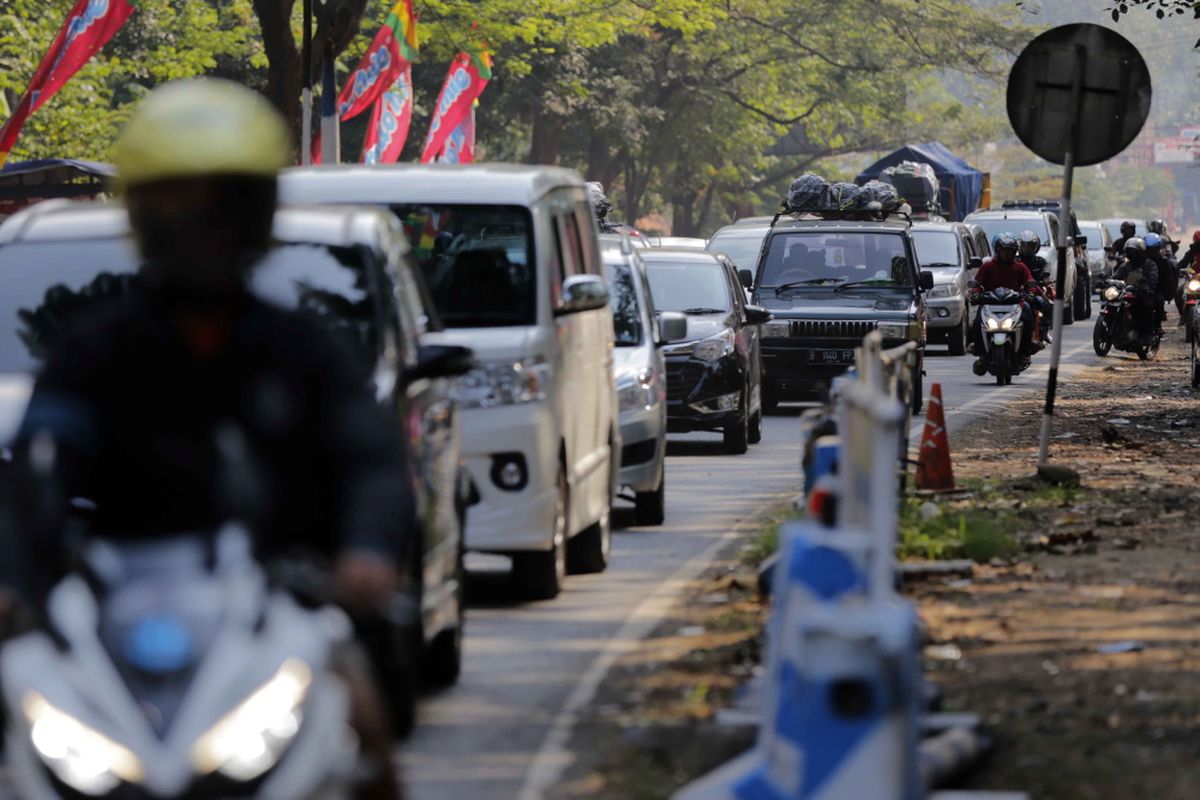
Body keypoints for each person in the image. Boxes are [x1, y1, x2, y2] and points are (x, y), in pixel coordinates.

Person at [7, 80, 407, 800]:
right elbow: (37, 470)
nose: (198, 226)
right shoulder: (92, 353)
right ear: (140, 213)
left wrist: (367, 551)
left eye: (219, 205)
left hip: (285, 606)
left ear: (254, 215)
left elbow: (369, 458)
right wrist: (11, 574)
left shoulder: (304, 349)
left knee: (368, 727)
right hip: (110, 617)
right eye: (173, 203)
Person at [970, 232, 1041, 371]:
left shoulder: (1020, 267)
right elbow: (977, 285)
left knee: (1028, 317)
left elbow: (1030, 283)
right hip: (990, 304)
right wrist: (975, 294)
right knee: (977, 321)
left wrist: (1031, 293)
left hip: (1015, 304)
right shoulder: (987, 266)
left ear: (1014, 252)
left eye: (1009, 251)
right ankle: (980, 352)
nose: (1006, 254)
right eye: (1004, 250)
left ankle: (1026, 350)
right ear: (998, 250)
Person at [1114, 236, 1158, 343]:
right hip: (1126, 294)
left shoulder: (1149, 264)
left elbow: (1153, 278)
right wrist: (1107, 282)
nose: (1131, 254)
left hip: (1142, 294)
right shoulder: (1125, 266)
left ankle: (1146, 334)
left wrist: (1146, 286)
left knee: (1146, 306)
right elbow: (1116, 276)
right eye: (1129, 251)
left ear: (1140, 252)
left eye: (1133, 252)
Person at [1017, 230, 1053, 343]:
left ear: (1035, 247)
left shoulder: (1040, 261)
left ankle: (1044, 331)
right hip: (1015, 291)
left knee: (1046, 304)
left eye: (1030, 246)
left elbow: (1047, 270)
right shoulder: (1014, 261)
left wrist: (1045, 279)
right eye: (1024, 246)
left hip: (1035, 290)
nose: (1026, 249)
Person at [1144, 232, 1175, 330]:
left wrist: (1165, 291)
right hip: (1140, 290)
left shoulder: (1164, 262)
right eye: (1148, 249)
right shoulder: (1139, 260)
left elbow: (1168, 281)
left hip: (1155, 290)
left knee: (1158, 302)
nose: (1151, 251)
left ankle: (1157, 326)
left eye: (1153, 248)